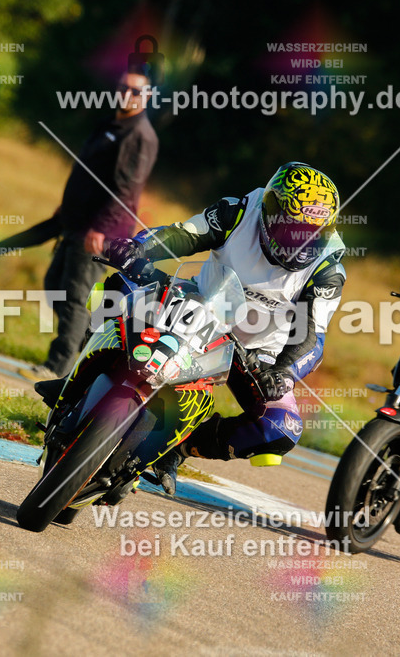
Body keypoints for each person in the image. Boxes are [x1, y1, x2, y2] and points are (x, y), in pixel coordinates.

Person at [104, 162, 347, 495]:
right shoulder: (237, 213)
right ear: (271, 212)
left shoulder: (328, 268)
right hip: (201, 310)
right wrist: (138, 248)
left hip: (258, 355)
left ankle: (176, 449)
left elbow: (313, 335)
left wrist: (285, 372)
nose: (300, 243)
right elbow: (181, 235)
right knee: (121, 286)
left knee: (282, 428)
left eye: (312, 235)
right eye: (293, 230)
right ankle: (81, 380)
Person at [21, 69, 159, 382]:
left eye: (135, 91)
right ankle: (87, 345)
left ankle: (57, 367)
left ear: (147, 97)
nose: (127, 94)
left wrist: (102, 229)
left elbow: (126, 190)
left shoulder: (140, 136)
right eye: (123, 87)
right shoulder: (112, 125)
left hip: (98, 232)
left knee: (73, 295)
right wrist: (68, 208)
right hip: (75, 224)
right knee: (55, 285)